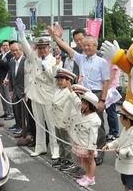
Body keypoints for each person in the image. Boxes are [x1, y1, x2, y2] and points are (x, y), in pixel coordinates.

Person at [48, 25, 110, 166]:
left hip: (96, 94)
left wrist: (102, 100)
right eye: (84, 45)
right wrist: (55, 37)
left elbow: (106, 82)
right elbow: (66, 47)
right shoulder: (81, 58)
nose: (86, 47)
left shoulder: (101, 62)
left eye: (89, 45)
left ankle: (99, 152)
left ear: (95, 46)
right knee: (81, 123)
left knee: (97, 125)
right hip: (82, 94)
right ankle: (84, 153)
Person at [15, 18, 61, 159]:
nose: (42, 50)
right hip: (35, 95)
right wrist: (22, 34)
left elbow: (56, 78)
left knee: (51, 125)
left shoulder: (55, 60)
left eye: (44, 48)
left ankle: (55, 149)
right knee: (39, 124)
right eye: (39, 48)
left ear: (49, 48)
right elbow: (26, 48)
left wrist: (46, 68)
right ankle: (40, 147)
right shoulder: (34, 57)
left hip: (48, 95)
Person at [103, 101, 133, 191]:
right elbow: (119, 140)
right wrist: (109, 146)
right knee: (126, 183)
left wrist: (120, 152)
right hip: (124, 164)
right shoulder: (126, 129)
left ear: (128, 120)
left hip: (130, 165)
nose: (120, 118)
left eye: (121, 117)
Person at [67, 89, 101, 188]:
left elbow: (93, 135)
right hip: (79, 141)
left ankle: (91, 178)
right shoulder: (81, 112)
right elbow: (74, 100)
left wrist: (91, 147)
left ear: (89, 105)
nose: (81, 104)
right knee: (85, 160)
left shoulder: (94, 120)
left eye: (83, 103)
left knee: (90, 161)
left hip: (87, 144)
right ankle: (86, 175)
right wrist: (70, 90)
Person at [51, 68, 77, 171]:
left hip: (65, 120)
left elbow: (72, 107)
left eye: (62, 79)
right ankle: (62, 158)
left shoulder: (69, 92)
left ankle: (69, 160)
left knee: (66, 141)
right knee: (59, 140)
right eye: (58, 79)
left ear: (68, 81)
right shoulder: (58, 90)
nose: (59, 81)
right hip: (57, 119)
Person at [8, 42, 26, 135]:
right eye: (13, 51)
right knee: (16, 110)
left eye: (16, 50)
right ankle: (19, 126)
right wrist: (10, 89)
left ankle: (24, 128)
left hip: (24, 90)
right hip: (15, 90)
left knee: (24, 112)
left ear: (21, 50)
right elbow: (10, 77)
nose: (15, 52)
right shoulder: (12, 61)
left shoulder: (26, 61)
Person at [0, 40, 14, 120]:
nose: (5, 47)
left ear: (9, 46)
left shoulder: (10, 55)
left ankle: (11, 112)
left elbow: (8, 65)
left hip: (7, 78)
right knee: (3, 97)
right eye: (3, 45)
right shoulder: (2, 55)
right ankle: (6, 111)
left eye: (6, 45)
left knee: (7, 96)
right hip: (1, 78)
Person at [105, 63, 121, 141]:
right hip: (108, 87)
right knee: (109, 111)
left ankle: (114, 132)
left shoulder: (114, 60)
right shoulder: (106, 58)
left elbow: (113, 74)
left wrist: (107, 85)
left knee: (111, 111)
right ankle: (112, 131)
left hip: (112, 88)